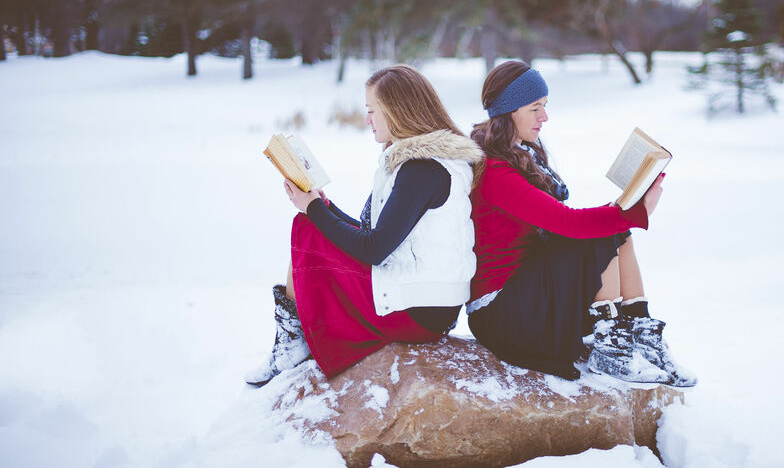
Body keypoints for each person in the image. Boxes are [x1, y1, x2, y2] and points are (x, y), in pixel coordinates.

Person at [245, 65, 484, 386]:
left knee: (307, 229)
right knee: (312, 224)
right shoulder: (423, 162)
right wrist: (323, 208)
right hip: (428, 300)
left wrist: (314, 209)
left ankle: (292, 343)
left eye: (372, 111)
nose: (367, 119)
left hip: (420, 308)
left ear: (397, 111)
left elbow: (374, 249)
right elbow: (378, 237)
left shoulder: (422, 169)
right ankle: (295, 339)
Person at [466, 61, 696, 386]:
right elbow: (566, 223)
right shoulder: (494, 169)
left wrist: (622, 213)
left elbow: (562, 224)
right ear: (508, 110)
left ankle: (640, 335)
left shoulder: (517, 153)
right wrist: (632, 211)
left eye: (544, 106)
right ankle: (610, 346)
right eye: (535, 108)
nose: (544, 117)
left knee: (615, 232)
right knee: (600, 234)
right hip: (502, 312)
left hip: (526, 291)